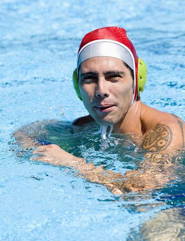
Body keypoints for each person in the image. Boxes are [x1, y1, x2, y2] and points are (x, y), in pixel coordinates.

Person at [14, 26, 185, 194]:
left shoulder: (165, 131)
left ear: (136, 81)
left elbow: (142, 190)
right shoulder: (86, 127)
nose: (101, 90)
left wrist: (74, 164)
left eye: (113, 77)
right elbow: (24, 134)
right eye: (89, 79)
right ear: (77, 86)